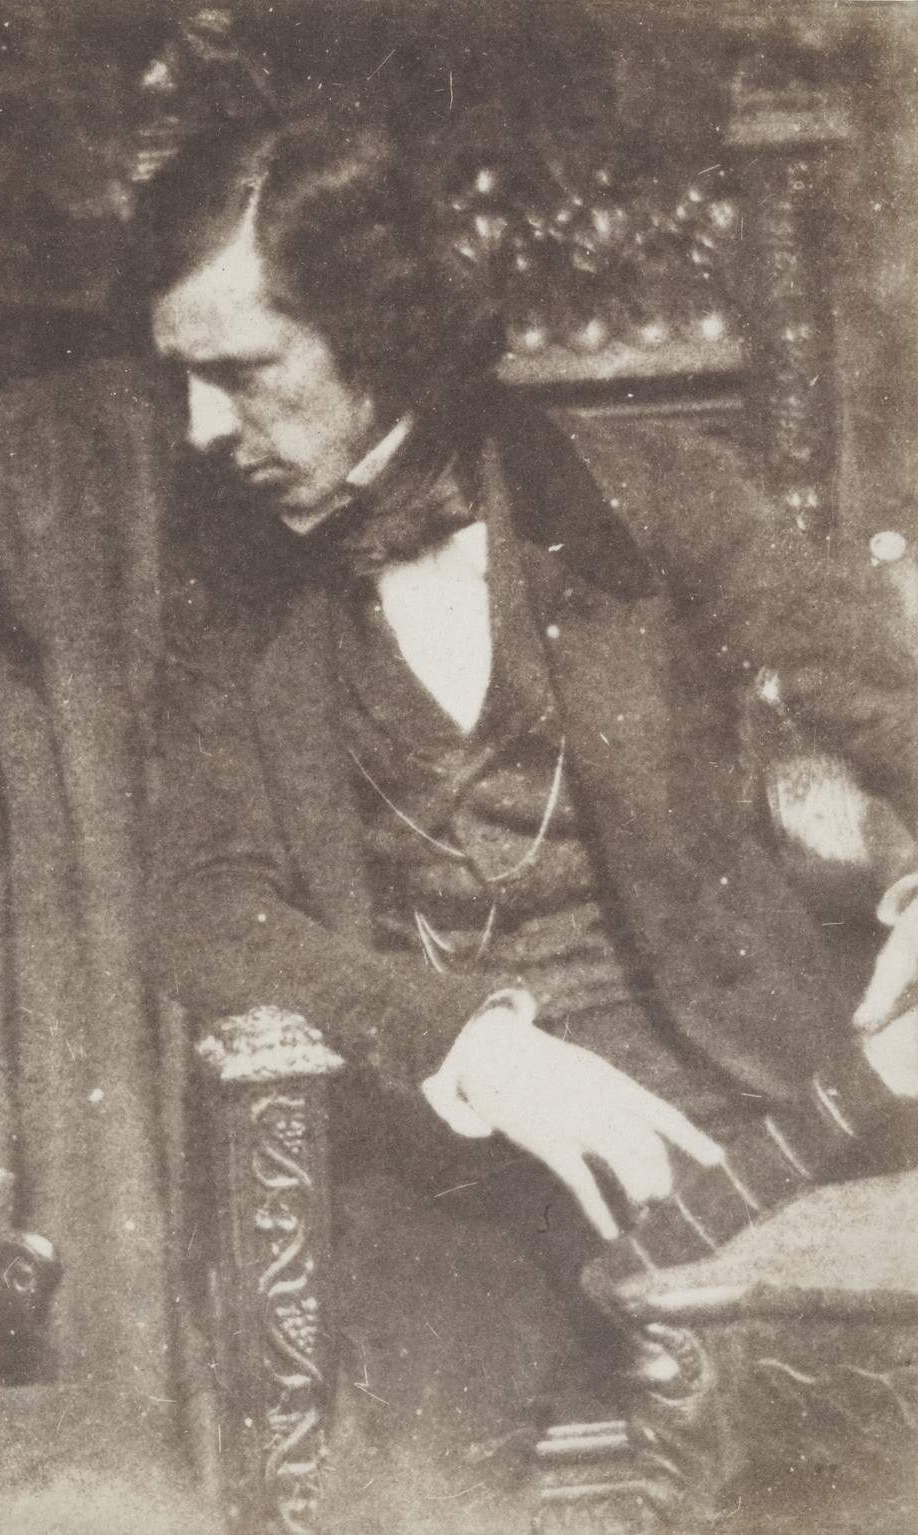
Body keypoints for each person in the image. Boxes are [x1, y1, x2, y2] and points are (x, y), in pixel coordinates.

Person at [144, 111, 918, 1412]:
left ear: (379, 331)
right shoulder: (225, 571)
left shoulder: (646, 493)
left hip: (733, 1095)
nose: (200, 427)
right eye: (180, 377)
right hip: (443, 1153)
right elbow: (202, 904)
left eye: (242, 370)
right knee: (418, 1453)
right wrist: (471, 1043)